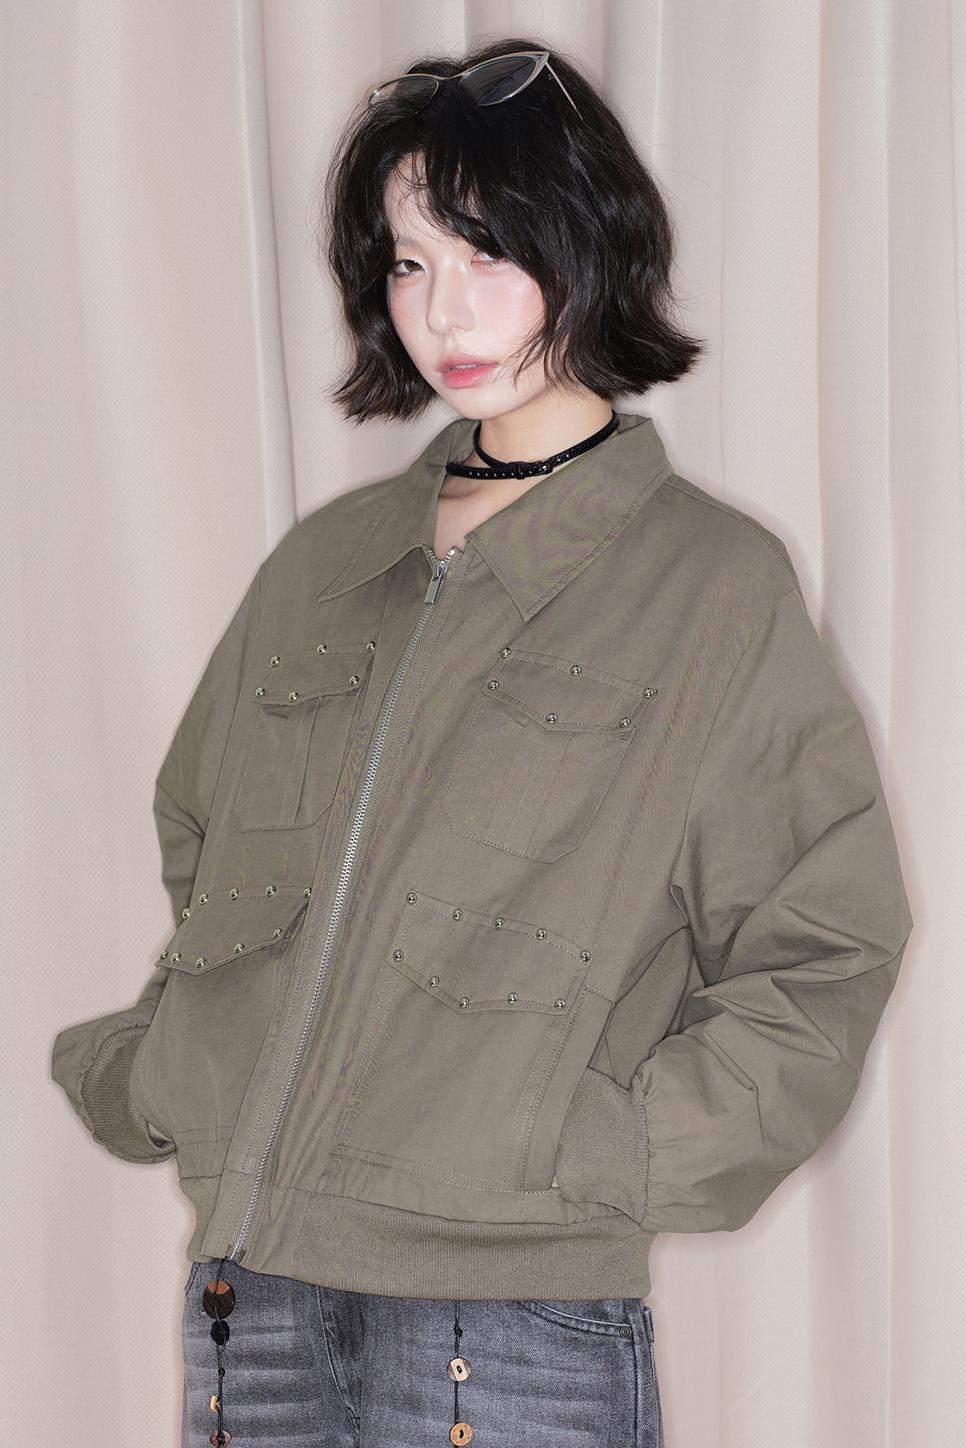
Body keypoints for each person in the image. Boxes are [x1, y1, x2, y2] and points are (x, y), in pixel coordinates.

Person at [50, 36, 914, 1448]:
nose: (442, 309)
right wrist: (174, 1064)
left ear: (587, 247)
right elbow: (209, 845)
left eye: (487, 253)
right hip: (251, 1303)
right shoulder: (326, 565)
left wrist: (603, 1150)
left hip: (506, 1332)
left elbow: (823, 938)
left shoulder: (707, 583)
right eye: (407, 263)